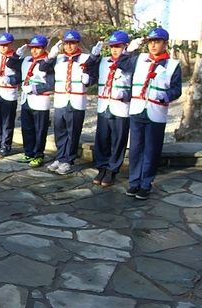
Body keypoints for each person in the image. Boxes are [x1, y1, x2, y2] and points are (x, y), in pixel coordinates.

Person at [119, 27, 182, 200]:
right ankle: (134, 182)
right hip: (138, 110)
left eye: (157, 41)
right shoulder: (139, 59)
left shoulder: (173, 65)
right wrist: (130, 49)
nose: (153, 45)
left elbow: (177, 89)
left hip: (156, 112)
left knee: (151, 150)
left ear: (165, 43)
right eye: (151, 42)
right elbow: (120, 63)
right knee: (136, 149)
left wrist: (166, 95)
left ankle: (146, 184)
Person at [45, 30, 99, 175]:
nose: (69, 46)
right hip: (61, 100)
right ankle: (60, 157)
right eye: (66, 43)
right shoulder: (59, 58)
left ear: (78, 43)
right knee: (59, 131)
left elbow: (94, 76)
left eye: (72, 43)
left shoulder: (86, 58)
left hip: (76, 100)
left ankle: (68, 160)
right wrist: (51, 56)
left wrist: (89, 79)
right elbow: (43, 68)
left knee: (72, 131)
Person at [88, 31, 132, 187]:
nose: (114, 50)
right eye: (112, 46)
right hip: (104, 106)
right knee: (102, 139)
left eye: (118, 46)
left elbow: (137, 86)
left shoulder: (130, 63)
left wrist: (126, 94)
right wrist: (93, 57)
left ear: (125, 47)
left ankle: (112, 170)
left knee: (118, 141)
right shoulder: (104, 61)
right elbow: (90, 72)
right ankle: (102, 167)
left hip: (120, 108)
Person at [18, 35, 53, 167]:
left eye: (38, 48)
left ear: (44, 48)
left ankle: (38, 154)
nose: (35, 51)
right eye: (33, 48)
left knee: (40, 129)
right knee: (26, 127)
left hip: (39, 101)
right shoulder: (27, 60)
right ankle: (28, 152)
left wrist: (34, 88)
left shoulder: (48, 63)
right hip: (26, 100)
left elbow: (51, 84)